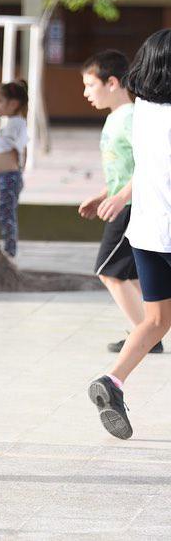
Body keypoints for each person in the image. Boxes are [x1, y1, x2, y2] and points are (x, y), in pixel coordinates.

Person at [89, 29, 171, 440]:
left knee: (155, 320)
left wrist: (115, 196)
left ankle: (113, 380)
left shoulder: (145, 115)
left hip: (147, 234)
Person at [78, 50, 162, 355]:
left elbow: (148, 164)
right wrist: (104, 194)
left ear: (112, 82)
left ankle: (147, 336)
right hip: (122, 203)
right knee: (129, 273)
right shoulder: (117, 117)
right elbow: (123, 169)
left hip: (130, 208)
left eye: (90, 85)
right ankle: (149, 330)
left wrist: (121, 198)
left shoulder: (130, 117)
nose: (86, 93)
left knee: (108, 270)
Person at [0, 80, 29, 258]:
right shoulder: (9, 123)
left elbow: (11, 144)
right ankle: (7, 246)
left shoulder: (18, 124)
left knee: (6, 213)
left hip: (10, 176)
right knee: (4, 211)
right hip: (3, 176)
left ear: (13, 104)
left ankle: (10, 249)